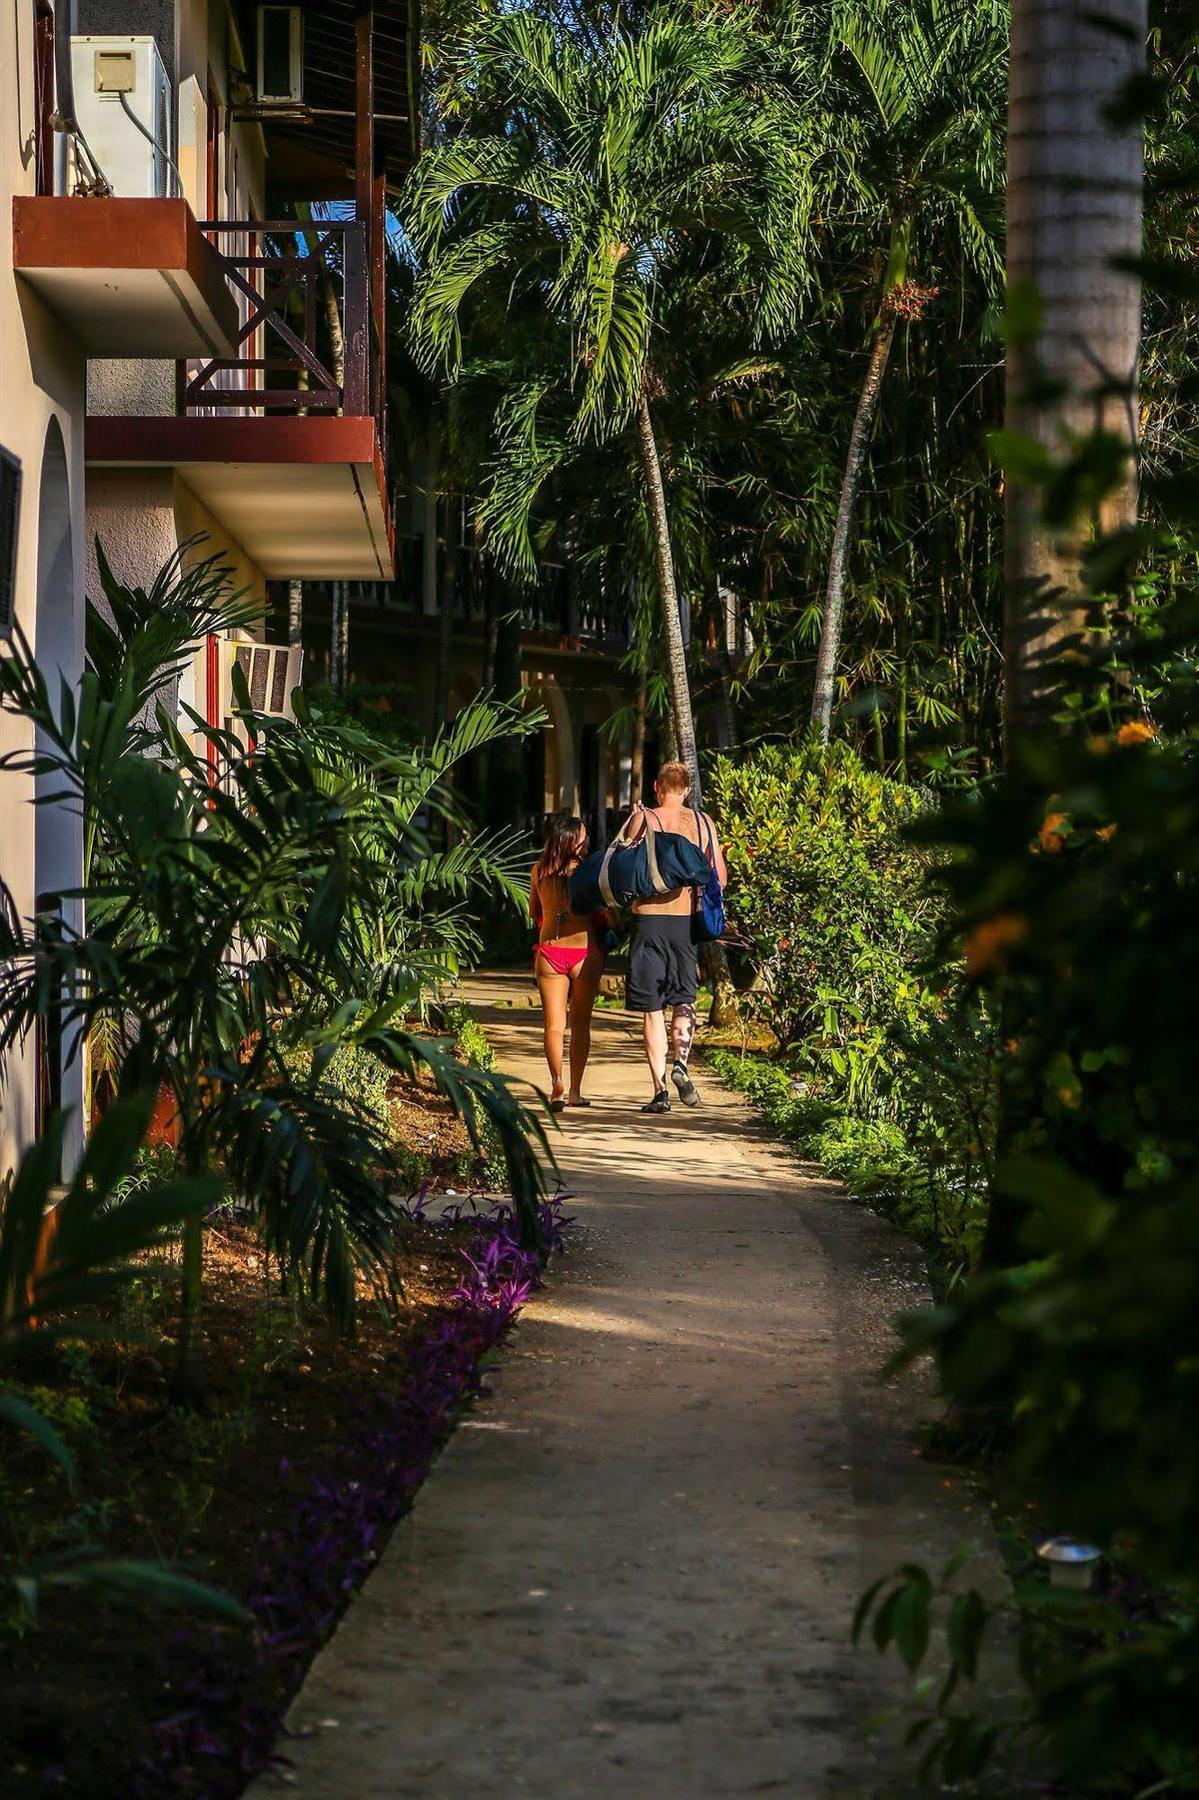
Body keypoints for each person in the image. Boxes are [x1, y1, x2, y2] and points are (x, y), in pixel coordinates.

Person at [623, 761, 728, 1113]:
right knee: (684, 999)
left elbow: (620, 869)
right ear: (686, 790)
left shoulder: (644, 819)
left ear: (656, 786)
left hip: (646, 922)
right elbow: (720, 879)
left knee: (652, 1010)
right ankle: (681, 1064)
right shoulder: (702, 823)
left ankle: (659, 1091)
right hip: (683, 923)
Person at [529, 813, 606, 1111]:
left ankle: (556, 1086)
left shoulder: (538, 871)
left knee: (553, 1026)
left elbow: (534, 912)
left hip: (550, 953)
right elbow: (608, 915)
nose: (587, 842)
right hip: (584, 953)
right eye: (583, 837)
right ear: (572, 841)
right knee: (581, 1024)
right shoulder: (588, 873)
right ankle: (575, 1091)